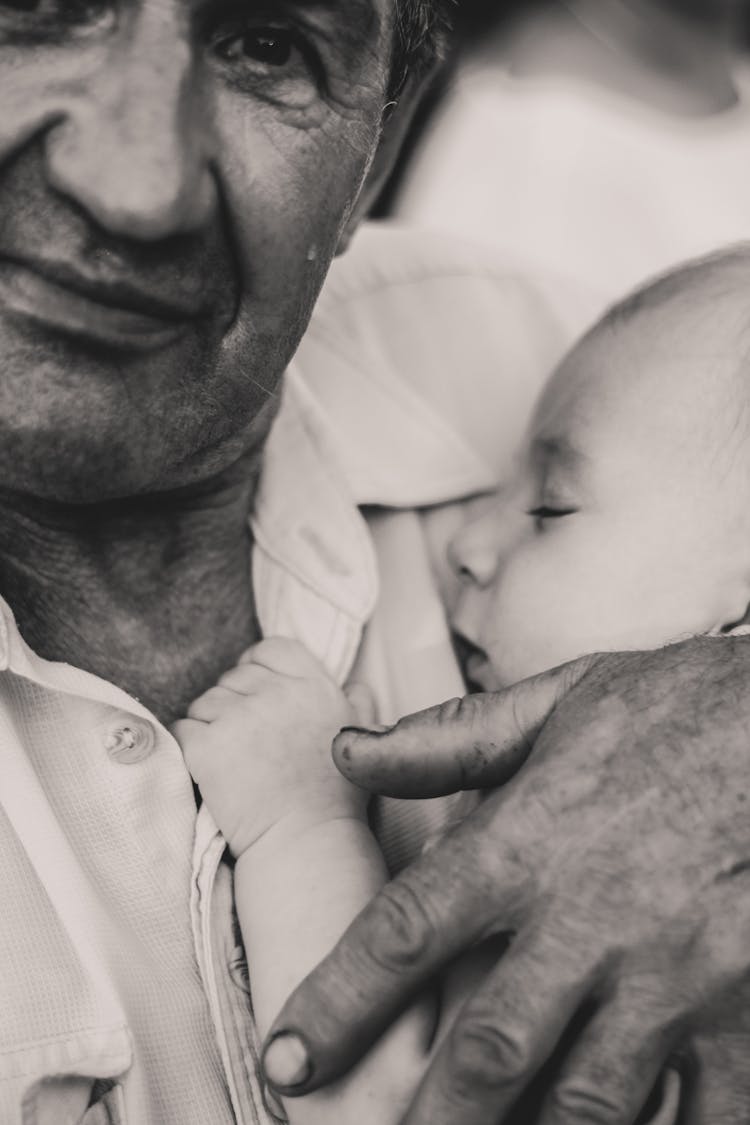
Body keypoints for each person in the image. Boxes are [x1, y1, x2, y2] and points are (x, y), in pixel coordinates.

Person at [1, 0, 749, 1122]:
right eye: (32, 12)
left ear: (375, 160)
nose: (135, 181)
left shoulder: (575, 361)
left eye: (269, 44)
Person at [186, 245, 745, 1125]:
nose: (466, 542)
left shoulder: (617, 866)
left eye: (548, 507)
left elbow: (384, 1104)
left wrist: (302, 821)